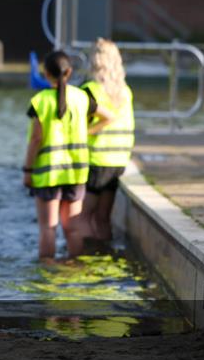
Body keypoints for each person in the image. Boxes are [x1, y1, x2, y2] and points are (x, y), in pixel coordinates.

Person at [23, 51, 112, 260]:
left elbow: (36, 140)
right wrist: (87, 131)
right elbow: (109, 117)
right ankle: (74, 269)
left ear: (45, 74)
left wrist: (27, 170)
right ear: (69, 72)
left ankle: (47, 273)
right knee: (72, 228)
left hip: (48, 175)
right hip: (76, 174)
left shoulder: (40, 101)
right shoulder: (82, 97)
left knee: (48, 228)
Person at [80, 39, 135, 242]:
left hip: (97, 161)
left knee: (82, 217)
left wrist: (86, 133)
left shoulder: (90, 90)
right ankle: (105, 255)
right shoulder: (125, 92)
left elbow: (84, 123)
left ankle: (85, 258)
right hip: (119, 161)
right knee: (103, 218)